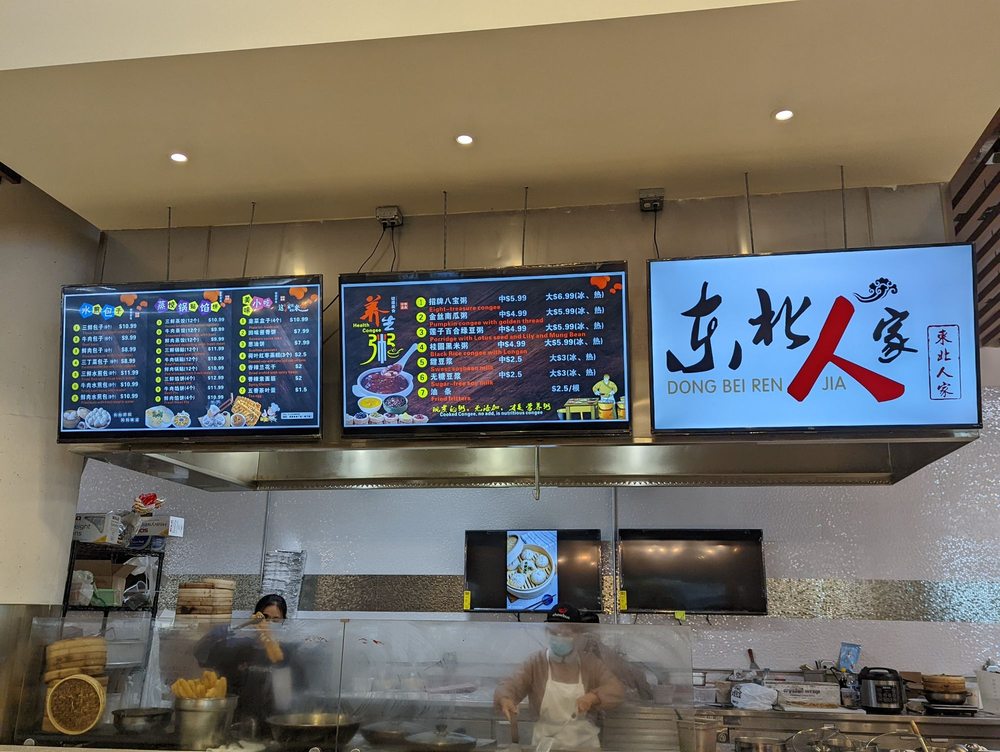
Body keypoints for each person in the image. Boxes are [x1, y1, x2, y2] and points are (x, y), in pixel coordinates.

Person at [494, 603, 624, 750]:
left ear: (577, 635)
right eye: (554, 632)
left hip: (583, 744)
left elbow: (616, 689)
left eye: (566, 634)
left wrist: (594, 697)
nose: (559, 638)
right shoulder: (536, 662)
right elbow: (511, 684)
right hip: (545, 743)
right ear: (547, 632)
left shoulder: (589, 663)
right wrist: (505, 698)